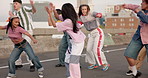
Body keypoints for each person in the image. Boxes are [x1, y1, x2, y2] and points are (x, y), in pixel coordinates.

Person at [45, 3, 86, 78]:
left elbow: (54, 25)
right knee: (67, 60)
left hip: (77, 43)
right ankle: (69, 75)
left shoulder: (68, 21)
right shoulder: (69, 18)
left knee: (74, 63)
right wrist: (54, 10)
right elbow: (57, 17)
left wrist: (49, 14)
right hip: (73, 42)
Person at [78, 4, 110, 71]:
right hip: (91, 33)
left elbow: (98, 14)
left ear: (87, 9)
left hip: (97, 32)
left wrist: (99, 15)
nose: (84, 10)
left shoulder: (91, 13)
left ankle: (105, 63)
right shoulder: (81, 17)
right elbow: (79, 23)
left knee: (96, 50)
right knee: (88, 49)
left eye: (85, 9)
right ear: (80, 10)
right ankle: (92, 63)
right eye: (82, 9)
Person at [9, 0, 36, 71]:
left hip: (28, 31)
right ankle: (18, 63)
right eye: (14, 4)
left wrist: (32, 5)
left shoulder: (25, 8)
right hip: (19, 33)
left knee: (26, 46)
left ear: (20, 4)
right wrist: (11, 17)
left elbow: (34, 11)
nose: (14, 5)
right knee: (17, 47)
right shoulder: (14, 13)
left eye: (16, 3)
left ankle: (32, 64)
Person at [123, 0, 148, 77]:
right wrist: (125, 5)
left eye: (143, 2)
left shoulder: (141, 12)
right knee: (128, 54)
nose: (141, 3)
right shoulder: (141, 8)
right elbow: (134, 6)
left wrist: (139, 13)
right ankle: (135, 72)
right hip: (138, 37)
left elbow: (146, 20)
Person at [48, 3, 69, 67]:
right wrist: (49, 14)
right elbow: (50, 24)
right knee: (61, 47)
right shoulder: (60, 20)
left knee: (72, 49)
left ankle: (75, 63)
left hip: (71, 35)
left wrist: (50, 13)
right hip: (66, 34)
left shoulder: (63, 19)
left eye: (55, 15)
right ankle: (62, 62)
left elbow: (52, 24)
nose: (55, 17)